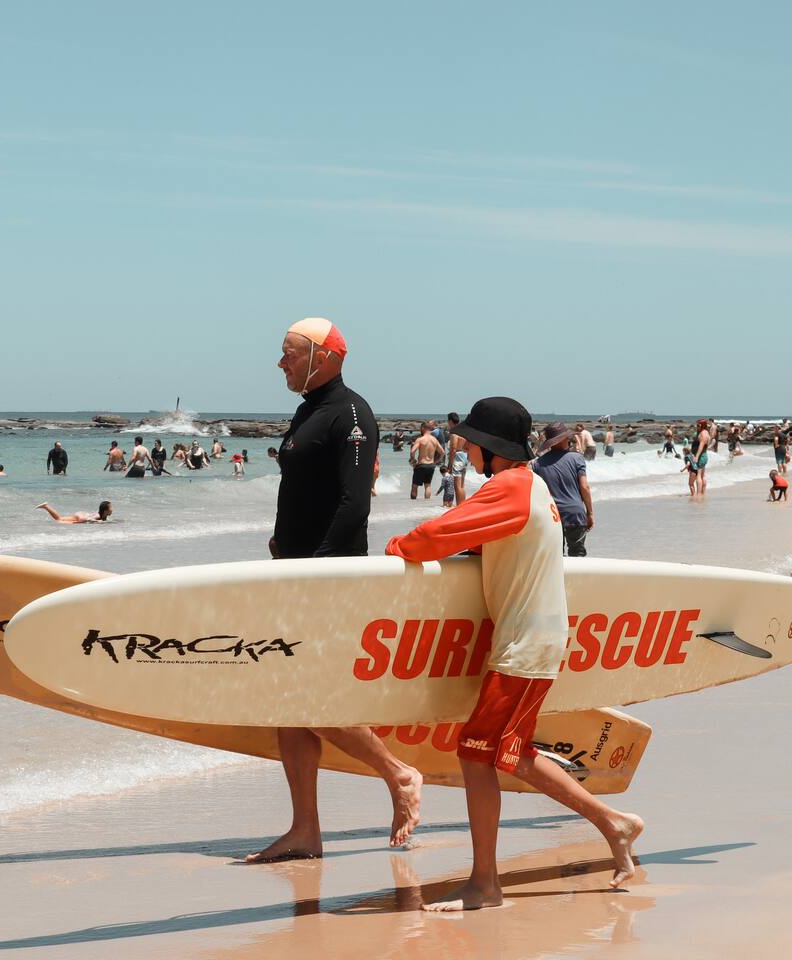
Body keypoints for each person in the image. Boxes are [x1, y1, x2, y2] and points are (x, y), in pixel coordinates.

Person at [386, 397, 643, 910]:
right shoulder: (533, 485)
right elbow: (487, 539)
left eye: (472, 442)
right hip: (534, 639)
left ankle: (486, 884)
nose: (466, 449)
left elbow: (435, 535)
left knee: (475, 752)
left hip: (525, 645)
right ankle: (614, 824)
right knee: (511, 754)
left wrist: (395, 551)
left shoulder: (508, 487)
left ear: (491, 448)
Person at [257, 316, 421, 863]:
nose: (280, 362)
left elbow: (355, 503)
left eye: (288, 353)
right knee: (289, 703)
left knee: (306, 697)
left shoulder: (352, 413)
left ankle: (398, 774)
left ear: (322, 357)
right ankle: (305, 829)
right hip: (296, 572)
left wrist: (321, 569)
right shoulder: (309, 410)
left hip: (327, 578)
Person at [533, 421, 594, 557]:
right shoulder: (577, 458)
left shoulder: (538, 464)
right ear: (564, 438)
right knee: (578, 555)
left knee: (555, 558)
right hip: (575, 513)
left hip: (551, 516)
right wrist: (590, 513)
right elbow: (584, 487)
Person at [408, 422, 443, 499]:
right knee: (427, 486)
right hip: (431, 465)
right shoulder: (434, 440)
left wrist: (413, 460)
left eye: (420, 428)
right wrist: (436, 461)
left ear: (423, 428)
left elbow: (412, 451)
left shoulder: (420, 439)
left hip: (421, 465)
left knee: (414, 486)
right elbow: (442, 453)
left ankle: (412, 503)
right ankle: (426, 503)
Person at [446, 412, 470, 505]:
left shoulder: (454, 433)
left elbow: (453, 449)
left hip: (457, 459)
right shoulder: (463, 432)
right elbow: (468, 447)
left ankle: (459, 507)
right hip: (464, 458)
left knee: (457, 486)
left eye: (448, 421)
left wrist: (449, 465)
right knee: (462, 485)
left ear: (450, 421)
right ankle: (462, 505)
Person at [35, 500, 112, 523]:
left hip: (82, 514)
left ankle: (46, 507)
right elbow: (89, 519)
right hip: (81, 517)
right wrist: (97, 521)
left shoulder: (102, 514)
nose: (112, 509)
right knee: (59, 519)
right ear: (105, 511)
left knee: (60, 519)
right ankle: (46, 506)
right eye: (111, 507)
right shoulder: (98, 516)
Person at [691, 419, 712, 494]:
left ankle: (699, 494)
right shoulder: (706, 432)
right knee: (702, 476)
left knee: (698, 476)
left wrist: (696, 456)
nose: (697, 426)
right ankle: (703, 493)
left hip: (701, 456)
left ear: (702, 425)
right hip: (704, 455)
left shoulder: (703, 434)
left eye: (698, 425)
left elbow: (701, 446)